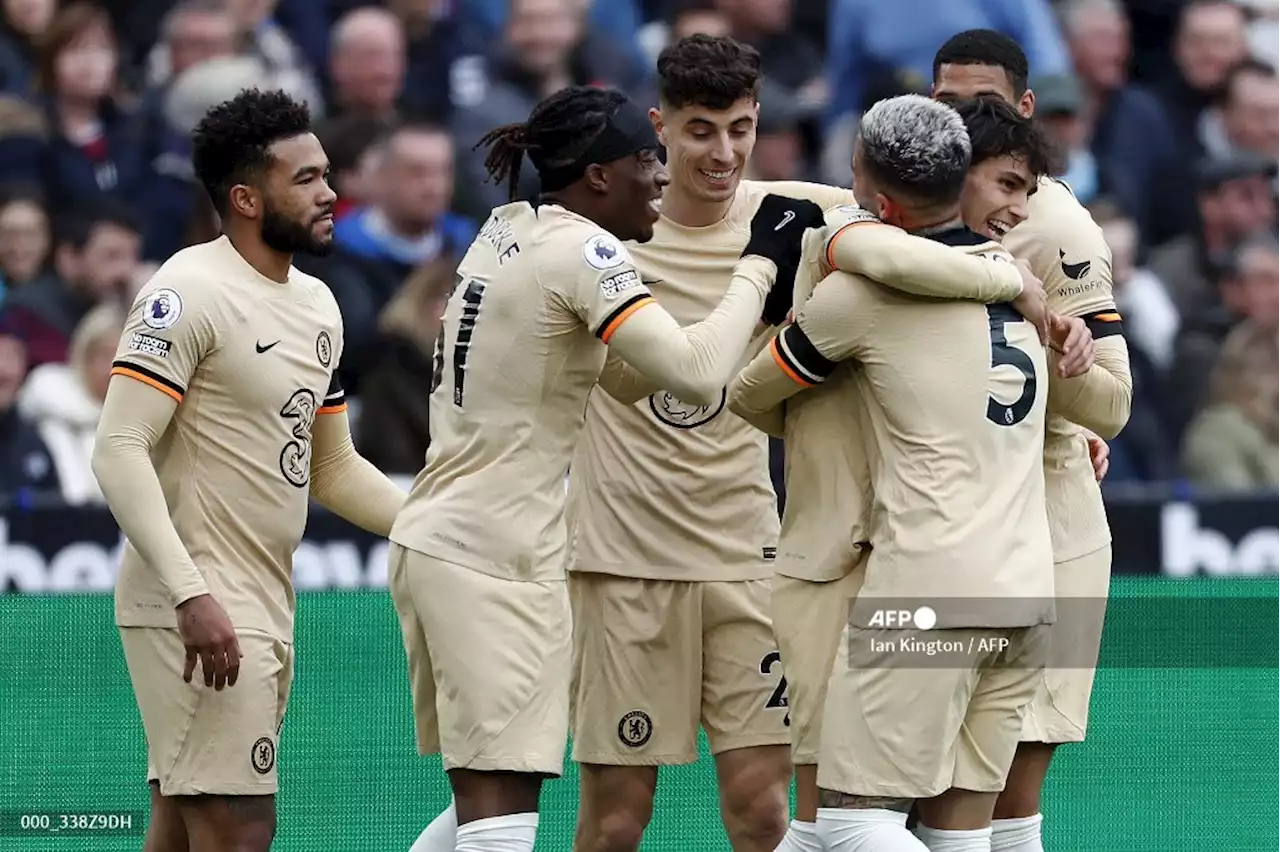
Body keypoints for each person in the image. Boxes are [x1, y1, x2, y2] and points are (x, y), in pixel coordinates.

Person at [562, 35, 1045, 852]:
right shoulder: (610, 236)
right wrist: (1014, 283)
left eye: (741, 128)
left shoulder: (798, 209)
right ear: (661, 129)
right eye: (701, 130)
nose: (724, 152)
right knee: (616, 820)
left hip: (753, 554)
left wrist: (1020, 287)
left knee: (767, 812)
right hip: (625, 558)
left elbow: (902, 234)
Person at [385, 84, 818, 852]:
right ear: (597, 177)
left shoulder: (506, 227)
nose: (660, 177)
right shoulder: (583, 250)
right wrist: (758, 270)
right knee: (501, 827)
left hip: (456, 539)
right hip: (494, 560)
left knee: (481, 809)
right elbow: (694, 374)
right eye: (647, 160)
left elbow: (618, 374)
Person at [729, 93, 1058, 852]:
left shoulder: (863, 294)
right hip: (1031, 593)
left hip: (928, 591)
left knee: (850, 821)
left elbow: (749, 394)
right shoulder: (1015, 279)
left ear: (875, 200)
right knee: (962, 835)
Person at [91, 88, 408, 852]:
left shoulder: (319, 305)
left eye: (326, 173)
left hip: (264, 599)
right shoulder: (186, 291)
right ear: (244, 197)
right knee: (240, 829)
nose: (331, 192)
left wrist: (435, 523)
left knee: (182, 824)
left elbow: (331, 468)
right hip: (198, 603)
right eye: (304, 179)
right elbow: (117, 449)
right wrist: (191, 593)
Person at [928, 31, 1134, 852]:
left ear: (1020, 112)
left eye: (980, 104)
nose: (959, 119)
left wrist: (1061, 393)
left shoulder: (1054, 225)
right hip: (931, 526)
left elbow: (1111, 400)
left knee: (1006, 792)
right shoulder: (885, 212)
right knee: (904, 783)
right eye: (946, 104)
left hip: (1050, 527)